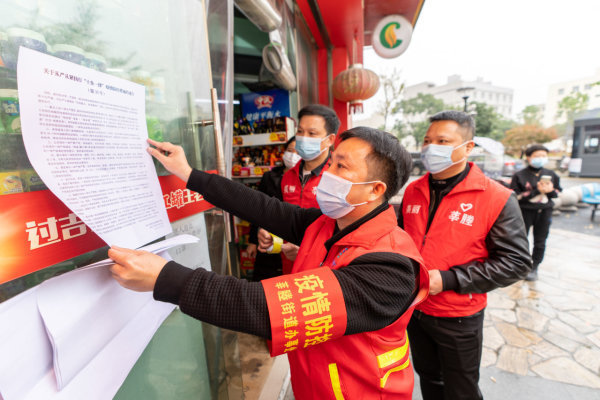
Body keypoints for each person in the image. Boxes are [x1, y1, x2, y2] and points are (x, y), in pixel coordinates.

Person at [109, 127, 430, 399]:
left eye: (341, 168)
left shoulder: (391, 268)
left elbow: (269, 308)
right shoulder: (328, 224)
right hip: (314, 385)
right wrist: (189, 174)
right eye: (331, 162)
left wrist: (165, 278)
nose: (326, 175)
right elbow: (262, 207)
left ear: (375, 190)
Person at [398, 111, 531, 400]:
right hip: (415, 309)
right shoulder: (413, 191)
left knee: (461, 389)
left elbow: (516, 263)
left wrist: (448, 280)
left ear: (468, 147)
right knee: (430, 379)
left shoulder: (496, 197)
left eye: (443, 141)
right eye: (427, 140)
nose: (430, 148)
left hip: (458, 316)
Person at [267, 104, 340, 274]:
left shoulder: (337, 177)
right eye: (300, 131)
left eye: (312, 133)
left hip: (323, 268)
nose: (303, 137)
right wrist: (272, 235)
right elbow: (284, 217)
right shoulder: (288, 176)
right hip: (289, 265)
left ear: (329, 140)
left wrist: (308, 250)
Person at [246, 136, 298, 281]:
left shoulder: (306, 180)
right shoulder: (270, 177)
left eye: (297, 151)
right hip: (268, 238)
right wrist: (252, 241)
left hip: (293, 241)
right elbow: (257, 209)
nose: (293, 154)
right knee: (266, 283)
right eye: (289, 150)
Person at [510, 144, 562, 281]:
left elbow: (558, 193)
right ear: (529, 157)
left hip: (544, 211)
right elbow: (515, 196)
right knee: (521, 240)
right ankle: (519, 265)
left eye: (544, 156)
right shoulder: (519, 175)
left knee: (540, 241)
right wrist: (537, 191)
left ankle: (535, 267)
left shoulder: (552, 175)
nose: (541, 158)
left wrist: (550, 191)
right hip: (525, 211)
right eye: (537, 156)